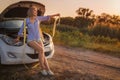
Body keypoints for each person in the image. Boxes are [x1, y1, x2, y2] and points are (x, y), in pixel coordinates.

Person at [15, 5, 60, 76]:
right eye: (34, 10)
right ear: (30, 11)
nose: (35, 11)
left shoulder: (38, 18)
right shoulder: (26, 20)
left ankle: (48, 69)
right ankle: (42, 69)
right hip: (31, 40)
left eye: (36, 10)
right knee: (41, 50)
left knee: (43, 54)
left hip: (38, 39)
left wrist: (56, 14)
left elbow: (47, 17)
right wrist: (17, 38)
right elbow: (21, 30)